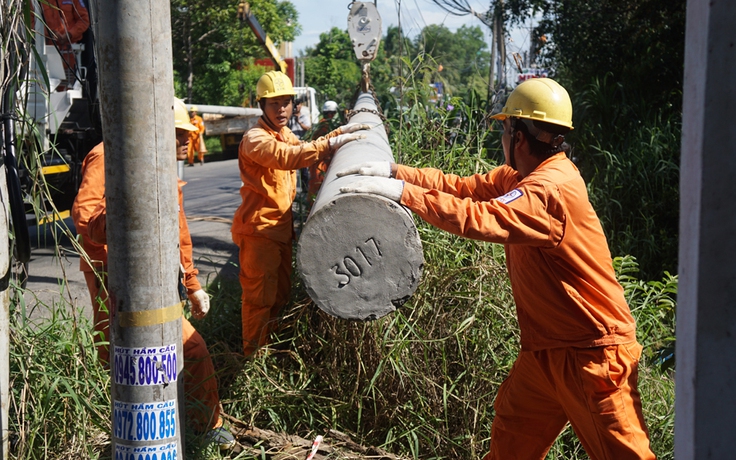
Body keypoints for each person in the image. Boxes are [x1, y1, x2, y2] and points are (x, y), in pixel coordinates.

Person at [337, 78, 655, 460]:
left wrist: (404, 195)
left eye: (505, 129)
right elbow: (463, 188)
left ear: (517, 135)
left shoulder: (549, 190)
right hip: (544, 352)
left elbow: (480, 217)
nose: (503, 138)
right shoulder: (520, 177)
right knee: (511, 441)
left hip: (592, 353)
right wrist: (395, 172)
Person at [71, 98, 234, 450]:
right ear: (155, 132)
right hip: (109, 273)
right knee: (114, 352)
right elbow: (85, 218)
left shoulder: (163, 170)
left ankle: (204, 426)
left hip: (155, 277)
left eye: (186, 134)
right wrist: (126, 208)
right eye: (177, 134)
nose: (184, 142)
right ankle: (114, 428)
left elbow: (180, 232)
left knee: (190, 349)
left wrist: (192, 285)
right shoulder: (107, 155)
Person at [232, 70, 369, 357]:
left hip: (279, 231)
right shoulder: (255, 138)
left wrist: (340, 133)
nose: (281, 109)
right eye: (273, 103)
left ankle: (271, 354)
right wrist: (330, 143)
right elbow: (289, 157)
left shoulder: (283, 134)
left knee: (279, 296)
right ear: (261, 106)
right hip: (260, 233)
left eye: (286, 103)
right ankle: (253, 363)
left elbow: (304, 147)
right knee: (260, 301)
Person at [306, 100, 341, 205]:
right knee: (316, 186)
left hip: (329, 162)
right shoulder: (322, 126)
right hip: (320, 163)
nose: (330, 116)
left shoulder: (334, 126)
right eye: (328, 113)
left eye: (332, 113)